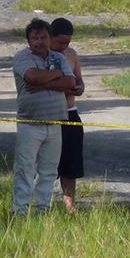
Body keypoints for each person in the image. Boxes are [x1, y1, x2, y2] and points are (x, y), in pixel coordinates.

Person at [11, 18, 76, 216]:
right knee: (25, 168)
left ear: (50, 38)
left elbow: (71, 82)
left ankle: (42, 209)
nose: (39, 41)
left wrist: (45, 81)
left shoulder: (58, 58)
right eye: (34, 38)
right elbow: (31, 77)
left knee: (49, 170)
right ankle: (20, 211)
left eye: (43, 37)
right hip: (31, 122)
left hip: (55, 121)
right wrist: (56, 76)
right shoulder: (22, 57)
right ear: (28, 40)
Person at [50, 18, 85, 213]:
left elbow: (79, 80)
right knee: (46, 161)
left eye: (67, 42)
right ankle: (41, 201)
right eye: (60, 42)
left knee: (70, 162)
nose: (63, 46)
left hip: (70, 112)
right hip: (49, 113)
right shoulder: (44, 56)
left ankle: (70, 205)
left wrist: (78, 87)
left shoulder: (71, 55)